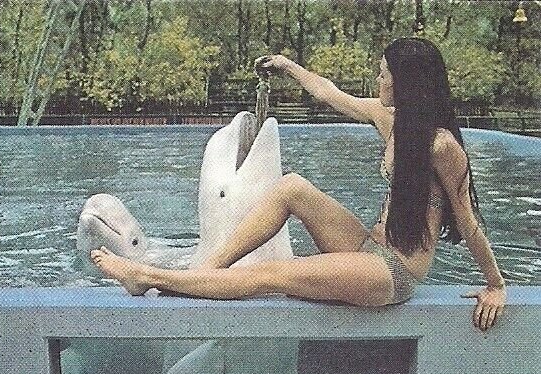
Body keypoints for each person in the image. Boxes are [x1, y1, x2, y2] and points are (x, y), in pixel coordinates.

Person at [91, 37, 506, 331]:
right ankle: (206, 272)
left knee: (274, 274)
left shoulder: (442, 146)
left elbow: (468, 221)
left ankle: (146, 277)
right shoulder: (390, 119)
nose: (377, 81)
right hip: (368, 245)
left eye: (383, 75)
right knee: (292, 187)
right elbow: (329, 93)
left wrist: (495, 283)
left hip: (394, 272)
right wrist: (288, 67)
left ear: (407, 83)